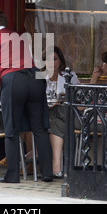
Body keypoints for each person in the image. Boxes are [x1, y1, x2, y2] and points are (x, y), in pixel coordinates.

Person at [0, 7, 53, 183]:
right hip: (35, 78)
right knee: (40, 129)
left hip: (14, 80)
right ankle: (48, 173)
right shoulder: (20, 37)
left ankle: (12, 175)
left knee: (11, 129)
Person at [43, 46, 80, 178]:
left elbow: (79, 97)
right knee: (55, 121)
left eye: (54, 59)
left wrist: (65, 98)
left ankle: (35, 154)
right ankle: (56, 168)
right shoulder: (40, 77)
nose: (51, 62)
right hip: (47, 114)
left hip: (67, 114)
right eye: (48, 59)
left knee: (57, 114)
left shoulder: (69, 76)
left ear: (60, 61)